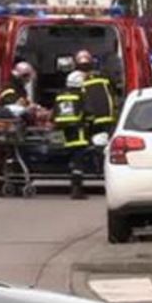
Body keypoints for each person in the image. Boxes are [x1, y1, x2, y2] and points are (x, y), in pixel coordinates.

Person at [54, 71, 89, 199]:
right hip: (78, 133)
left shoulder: (60, 95)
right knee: (78, 163)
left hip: (63, 133)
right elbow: (87, 112)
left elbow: (54, 114)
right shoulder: (80, 95)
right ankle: (77, 189)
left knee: (70, 160)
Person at [80, 55, 117, 136]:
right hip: (108, 114)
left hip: (93, 118)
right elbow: (114, 89)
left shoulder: (83, 82)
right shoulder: (104, 77)